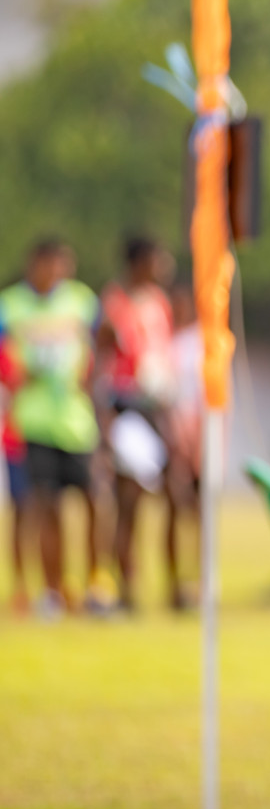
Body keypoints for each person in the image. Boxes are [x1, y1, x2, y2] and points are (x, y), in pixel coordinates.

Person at [0, 238, 106, 617]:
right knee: (44, 507)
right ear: (35, 264)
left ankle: (96, 583)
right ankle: (51, 590)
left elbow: (100, 349)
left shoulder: (82, 301)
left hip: (77, 421)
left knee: (94, 501)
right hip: (33, 420)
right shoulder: (11, 305)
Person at [97, 235, 177, 612]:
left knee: (178, 496)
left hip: (158, 406)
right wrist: (105, 421)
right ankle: (125, 585)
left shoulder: (160, 303)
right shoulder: (114, 304)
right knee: (129, 500)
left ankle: (176, 582)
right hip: (126, 405)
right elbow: (102, 363)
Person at [164, 283, 203, 609]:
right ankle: (175, 583)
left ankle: (202, 580)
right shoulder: (164, 341)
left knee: (200, 513)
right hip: (171, 435)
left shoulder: (203, 341)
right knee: (175, 510)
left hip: (200, 435)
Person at [1, 341, 30, 615]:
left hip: (33, 437)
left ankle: (50, 589)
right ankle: (20, 587)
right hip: (13, 442)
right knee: (19, 514)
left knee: (43, 513)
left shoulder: (12, 348)